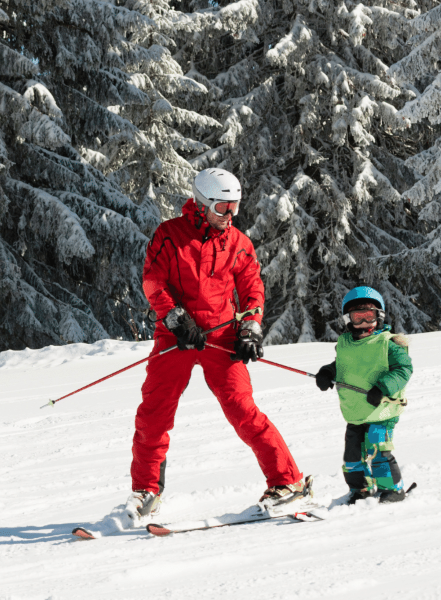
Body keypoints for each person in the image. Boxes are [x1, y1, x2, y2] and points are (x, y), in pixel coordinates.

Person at [126, 168, 307, 522]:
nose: (231, 216)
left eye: (235, 208)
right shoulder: (169, 235)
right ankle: (145, 491)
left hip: (221, 336)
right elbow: (153, 281)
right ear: (202, 203)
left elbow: (252, 287)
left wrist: (250, 329)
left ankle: (287, 482)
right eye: (224, 207)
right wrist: (175, 318)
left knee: (242, 409)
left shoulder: (238, 242)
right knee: (154, 413)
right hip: (177, 335)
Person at [314, 286, 413, 504]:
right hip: (355, 411)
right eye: (358, 318)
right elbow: (343, 365)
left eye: (370, 317)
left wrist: (383, 387)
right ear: (348, 319)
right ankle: (361, 489)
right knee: (352, 456)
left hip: (382, 409)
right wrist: (327, 372)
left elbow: (403, 369)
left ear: (380, 316)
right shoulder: (346, 344)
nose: (364, 323)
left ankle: (393, 489)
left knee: (378, 451)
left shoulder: (388, 343)